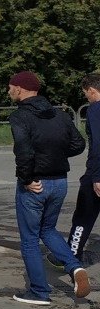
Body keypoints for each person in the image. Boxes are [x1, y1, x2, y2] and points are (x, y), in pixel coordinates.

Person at [7, 71, 90, 304]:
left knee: (30, 239)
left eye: (11, 86)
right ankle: (75, 268)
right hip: (60, 182)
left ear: (20, 89)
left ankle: (39, 292)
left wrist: (26, 179)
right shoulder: (59, 114)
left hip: (35, 184)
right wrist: (55, 155)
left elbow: (22, 151)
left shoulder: (20, 116)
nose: (9, 90)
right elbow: (78, 144)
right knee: (48, 230)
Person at [62, 73, 100, 267]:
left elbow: (98, 145)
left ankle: (72, 255)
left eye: (86, 93)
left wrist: (96, 176)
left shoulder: (95, 109)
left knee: (83, 216)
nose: (86, 97)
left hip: (96, 173)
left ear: (92, 90)